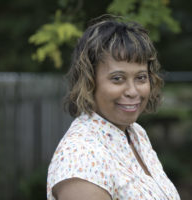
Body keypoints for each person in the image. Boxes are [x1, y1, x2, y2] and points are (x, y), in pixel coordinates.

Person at [47, 15, 180, 200]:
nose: (133, 91)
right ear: (89, 81)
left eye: (141, 77)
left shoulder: (135, 134)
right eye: (118, 78)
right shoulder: (82, 159)